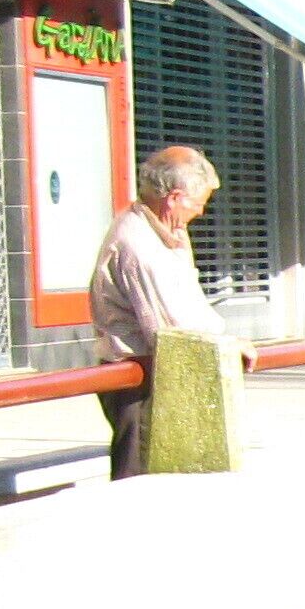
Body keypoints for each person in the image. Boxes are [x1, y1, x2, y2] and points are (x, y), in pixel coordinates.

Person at [85, 145, 226, 480]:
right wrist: (228, 345)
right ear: (174, 198)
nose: (202, 212)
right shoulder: (137, 244)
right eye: (199, 202)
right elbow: (167, 326)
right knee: (139, 475)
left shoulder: (168, 232)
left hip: (160, 370)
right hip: (136, 378)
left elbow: (191, 301)